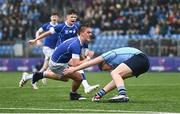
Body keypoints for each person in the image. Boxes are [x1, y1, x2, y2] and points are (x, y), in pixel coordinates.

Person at [27, 9, 99, 93]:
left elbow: (83, 39)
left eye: (75, 17)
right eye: (71, 16)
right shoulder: (61, 26)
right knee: (76, 67)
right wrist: (36, 39)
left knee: (65, 78)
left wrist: (86, 53)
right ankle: (86, 87)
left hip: (70, 51)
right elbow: (48, 33)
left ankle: (34, 76)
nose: (73, 18)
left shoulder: (76, 28)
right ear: (67, 17)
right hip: (61, 52)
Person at [63, 47, 150, 102]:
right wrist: (100, 94)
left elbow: (91, 62)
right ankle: (121, 94)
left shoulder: (106, 55)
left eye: (106, 69)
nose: (108, 70)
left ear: (104, 63)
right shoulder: (117, 62)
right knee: (118, 76)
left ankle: (122, 95)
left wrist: (74, 69)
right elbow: (116, 82)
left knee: (115, 73)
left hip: (139, 57)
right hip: (145, 64)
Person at [19, 12, 60, 89]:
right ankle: (41, 76)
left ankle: (28, 77)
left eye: (56, 16)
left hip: (55, 49)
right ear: (50, 18)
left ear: (58, 18)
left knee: (44, 67)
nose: (54, 18)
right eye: (53, 16)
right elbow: (38, 32)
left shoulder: (59, 26)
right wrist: (37, 40)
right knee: (53, 64)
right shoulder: (46, 25)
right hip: (47, 48)